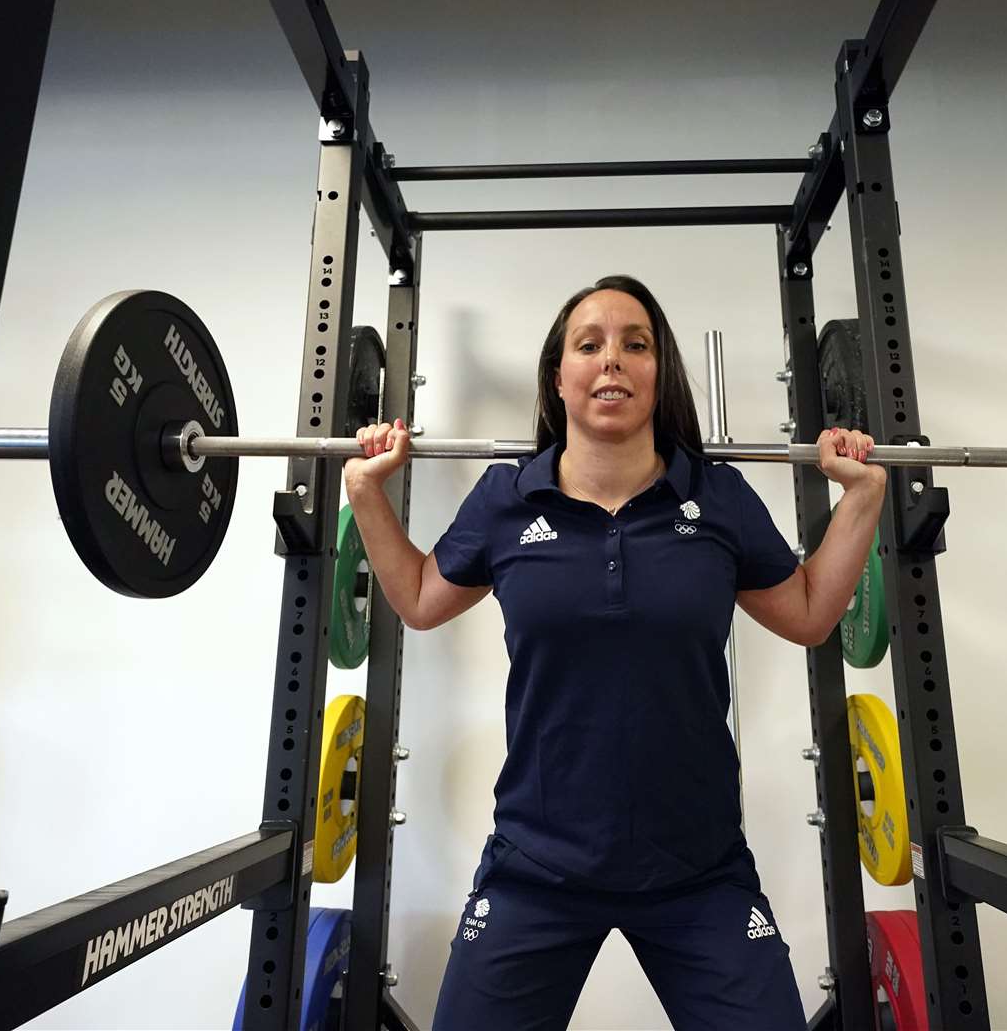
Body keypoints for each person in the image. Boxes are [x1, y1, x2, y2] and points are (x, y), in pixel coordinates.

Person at [344, 275, 884, 1031]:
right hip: (536, 866)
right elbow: (419, 601)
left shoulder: (718, 499)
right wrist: (366, 491)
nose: (612, 362)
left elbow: (809, 613)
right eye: (589, 345)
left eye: (636, 345)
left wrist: (861, 497)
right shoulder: (507, 500)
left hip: (697, 868)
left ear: (659, 375)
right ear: (558, 378)